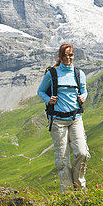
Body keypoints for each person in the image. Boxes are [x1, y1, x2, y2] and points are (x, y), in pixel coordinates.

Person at [38, 43, 90, 192]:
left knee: (82, 153)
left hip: (75, 119)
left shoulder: (79, 74)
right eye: (65, 55)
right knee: (62, 159)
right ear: (60, 57)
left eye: (71, 55)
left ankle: (79, 187)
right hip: (58, 121)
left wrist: (83, 97)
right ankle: (67, 194)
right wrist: (49, 100)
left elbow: (84, 91)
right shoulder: (52, 74)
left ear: (74, 55)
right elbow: (41, 91)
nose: (68, 58)